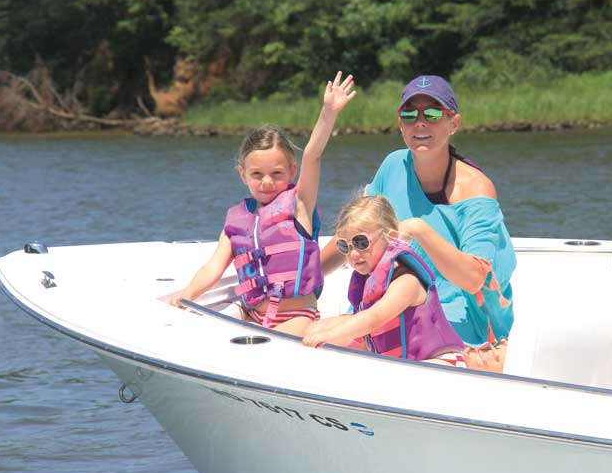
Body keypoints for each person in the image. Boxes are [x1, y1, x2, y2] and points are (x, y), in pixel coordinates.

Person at [321, 75, 515, 369]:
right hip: (388, 311)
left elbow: (475, 278)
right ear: (400, 124)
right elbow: (354, 235)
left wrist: (420, 229)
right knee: (306, 334)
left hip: (453, 326)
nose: (420, 122)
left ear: (454, 123)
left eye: (433, 114)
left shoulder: (476, 189)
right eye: (409, 115)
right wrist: (305, 280)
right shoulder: (393, 165)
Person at [171, 71, 356, 335]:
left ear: (292, 172)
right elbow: (214, 267)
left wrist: (328, 112)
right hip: (250, 312)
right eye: (257, 174)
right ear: (242, 174)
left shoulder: (299, 204)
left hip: (297, 316)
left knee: (284, 344)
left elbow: (313, 156)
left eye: (277, 174)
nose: (266, 182)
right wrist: (187, 293)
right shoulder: (236, 221)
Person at [303, 196, 466, 367]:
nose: (352, 254)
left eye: (361, 242)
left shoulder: (406, 282)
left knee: (327, 335)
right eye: (345, 246)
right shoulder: (370, 280)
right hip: (403, 362)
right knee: (315, 330)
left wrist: (328, 336)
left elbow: (375, 317)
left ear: (391, 237)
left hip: (442, 362)